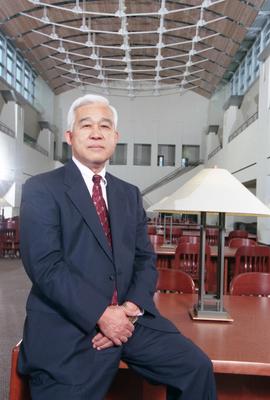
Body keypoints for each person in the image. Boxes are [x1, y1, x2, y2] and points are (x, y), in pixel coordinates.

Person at [18, 94, 216, 400]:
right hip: (69, 324)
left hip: (130, 319)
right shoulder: (42, 188)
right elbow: (45, 266)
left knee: (196, 368)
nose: (96, 132)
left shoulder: (129, 194)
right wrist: (101, 314)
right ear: (70, 137)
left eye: (105, 126)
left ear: (115, 138)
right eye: (86, 125)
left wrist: (131, 309)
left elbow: (145, 259)